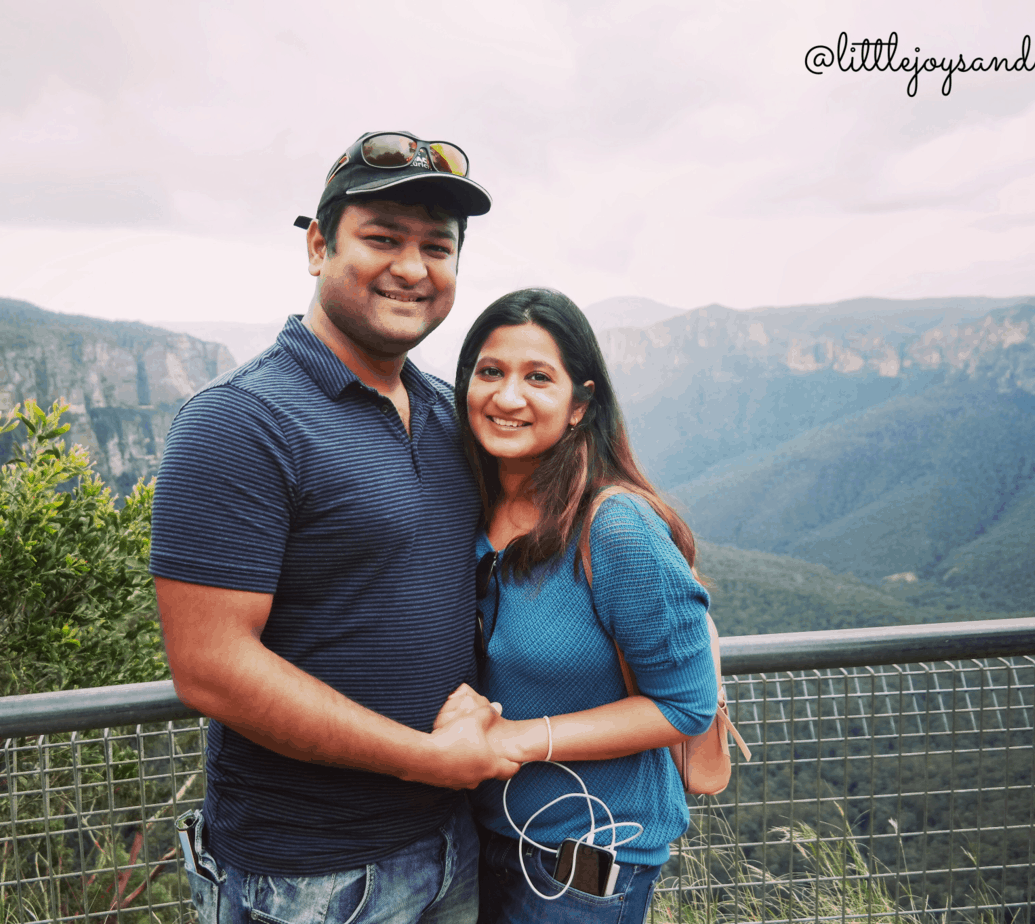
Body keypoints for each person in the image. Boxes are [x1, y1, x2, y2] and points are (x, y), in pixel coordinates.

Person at [150, 131, 518, 924]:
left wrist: (676, 642)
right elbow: (210, 668)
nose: (413, 268)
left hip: (457, 843)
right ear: (318, 246)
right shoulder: (240, 422)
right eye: (382, 239)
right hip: (309, 880)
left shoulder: (453, 415)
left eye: (437, 246)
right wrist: (429, 760)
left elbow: (553, 539)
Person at [436, 288, 718, 923]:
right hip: (479, 839)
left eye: (538, 377)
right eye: (490, 372)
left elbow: (687, 704)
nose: (508, 397)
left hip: (586, 853)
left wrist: (521, 738)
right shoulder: (471, 509)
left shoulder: (614, 528)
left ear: (579, 405)